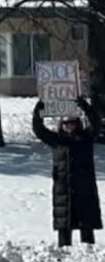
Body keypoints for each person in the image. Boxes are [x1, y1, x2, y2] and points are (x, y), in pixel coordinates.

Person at [32, 97, 102, 247]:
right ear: (61, 125)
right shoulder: (56, 140)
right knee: (65, 224)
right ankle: (64, 254)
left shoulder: (86, 138)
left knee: (86, 223)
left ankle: (89, 253)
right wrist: (38, 110)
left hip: (85, 187)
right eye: (66, 123)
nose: (69, 126)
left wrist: (84, 106)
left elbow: (96, 125)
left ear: (77, 124)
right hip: (63, 188)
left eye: (72, 122)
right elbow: (39, 130)